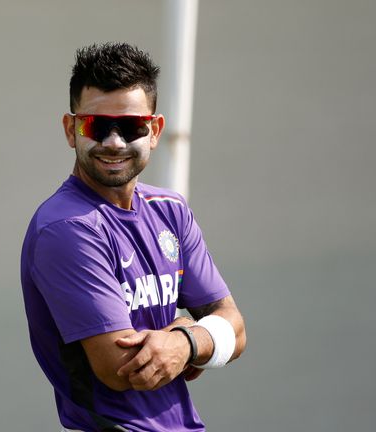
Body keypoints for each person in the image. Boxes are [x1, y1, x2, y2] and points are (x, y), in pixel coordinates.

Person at [20, 42, 246, 432]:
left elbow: (237, 328)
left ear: (154, 130)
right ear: (70, 130)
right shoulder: (67, 227)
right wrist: (198, 335)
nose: (113, 142)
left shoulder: (170, 209)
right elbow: (122, 370)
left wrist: (183, 342)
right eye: (96, 126)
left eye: (129, 127)